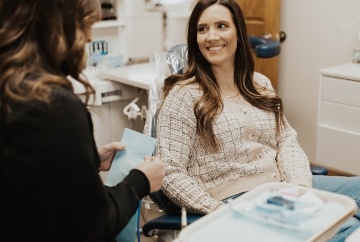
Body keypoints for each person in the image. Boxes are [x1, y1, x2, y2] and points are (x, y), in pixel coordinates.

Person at [155, 0, 360, 241]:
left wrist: (298, 188)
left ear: (239, 33)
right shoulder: (183, 94)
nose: (211, 36)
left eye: (221, 26)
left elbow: (286, 141)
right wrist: (221, 213)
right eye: (202, 29)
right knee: (341, 228)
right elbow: (169, 172)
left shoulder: (259, 83)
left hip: (281, 186)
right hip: (235, 200)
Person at [0, 0, 164, 241]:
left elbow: (28, 171)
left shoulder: (11, 88)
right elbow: (92, 227)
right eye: (86, 24)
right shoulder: (53, 106)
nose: (89, 37)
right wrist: (140, 181)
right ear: (58, 27)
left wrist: (86, 160)